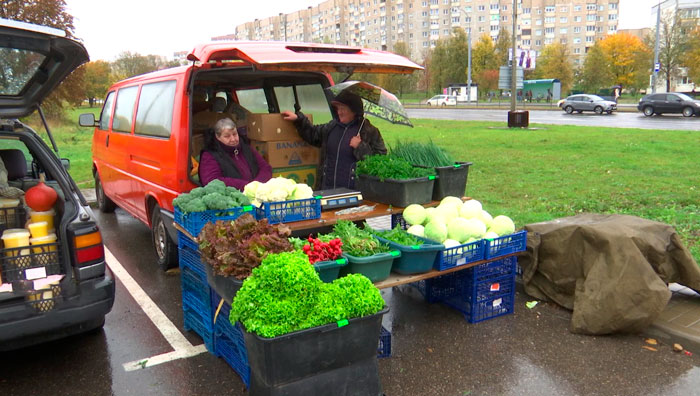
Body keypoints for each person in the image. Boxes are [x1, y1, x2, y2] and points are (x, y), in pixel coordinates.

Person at [281, 91, 387, 190]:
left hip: (353, 194)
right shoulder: (332, 127)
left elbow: (380, 160)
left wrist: (360, 146)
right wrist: (298, 120)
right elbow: (313, 134)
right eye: (338, 108)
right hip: (327, 191)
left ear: (354, 110)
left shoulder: (369, 131)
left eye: (343, 108)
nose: (339, 112)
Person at [198, 118, 272, 190]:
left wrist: (256, 184)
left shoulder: (246, 148)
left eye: (235, 134)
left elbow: (265, 167)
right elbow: (212, 180)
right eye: (227, 136)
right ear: (217, 137)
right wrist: (246, 186)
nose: (233, 139)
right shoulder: (209, 155)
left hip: (255, 193)